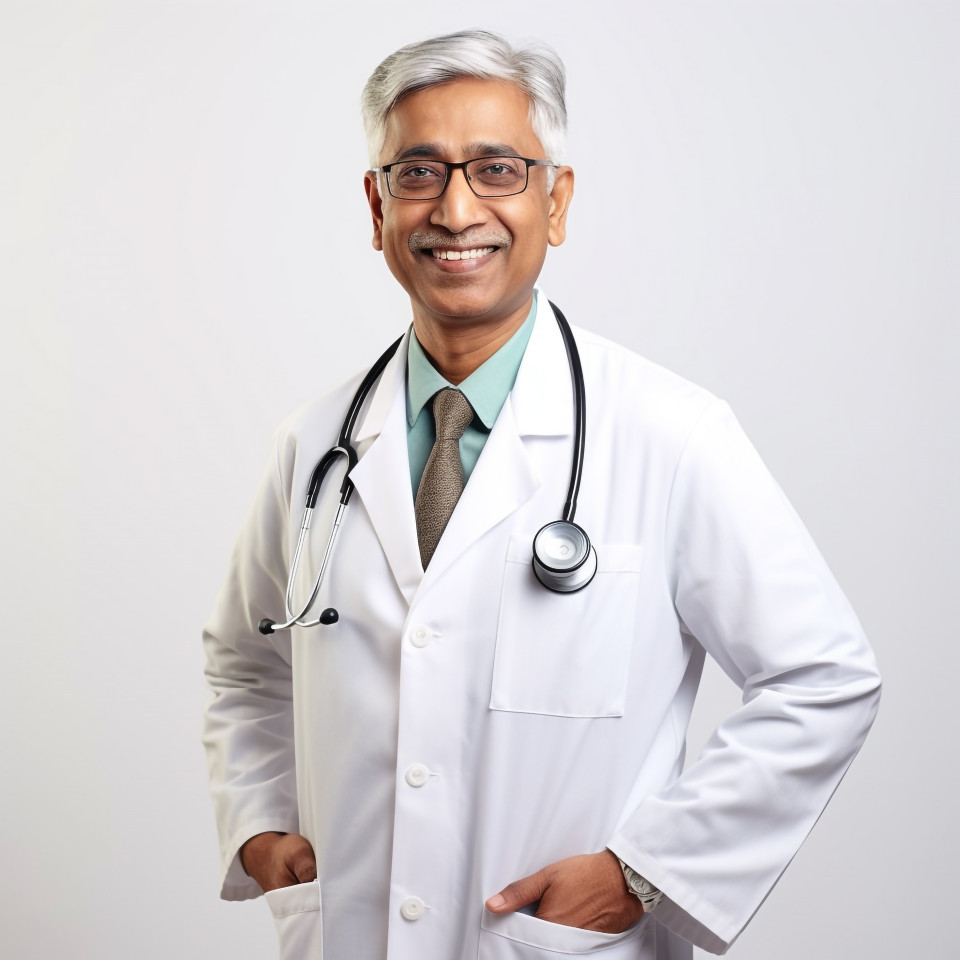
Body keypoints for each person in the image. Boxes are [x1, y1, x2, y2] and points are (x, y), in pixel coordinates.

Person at [202, 29, 881, 960]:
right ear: (376, 206)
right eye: (418, 172)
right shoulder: (314, 445)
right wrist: (260, 825)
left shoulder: (671, 433)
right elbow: (244, 665)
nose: (454, 208)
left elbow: (823, 677)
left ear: (555, 202)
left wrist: (649, 871)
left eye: (496, 170)